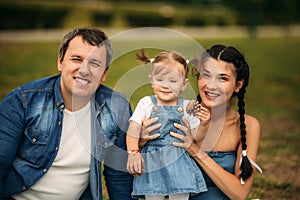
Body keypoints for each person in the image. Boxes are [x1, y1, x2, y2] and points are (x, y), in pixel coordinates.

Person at [0, 27, 134, 200]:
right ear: (60, 62)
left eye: (94, 63)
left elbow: (119, 178)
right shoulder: (23, 101)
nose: (84, 70)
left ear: (104, 74)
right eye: (76, 59)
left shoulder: (117, 107)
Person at [142, 45, 262, 200]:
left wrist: (194, 150)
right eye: (206, 75)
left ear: (238, 85)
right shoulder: (176, 116)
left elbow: (240, 193)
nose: (211, 85)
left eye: (222, 78)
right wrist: (141, 142)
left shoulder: (248, 125)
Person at [126, 50, 210, 200]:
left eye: (173, 81)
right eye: (160, 80)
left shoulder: (186, 107)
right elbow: (133, 129)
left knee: (179, 194)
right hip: (152, 161)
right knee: (153, 194)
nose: (166, 85)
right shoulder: (146, 103)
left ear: (184, 84)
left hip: (179, 161)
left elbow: (196, 137)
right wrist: (133, 152)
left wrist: (203, 124)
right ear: (151, 81)